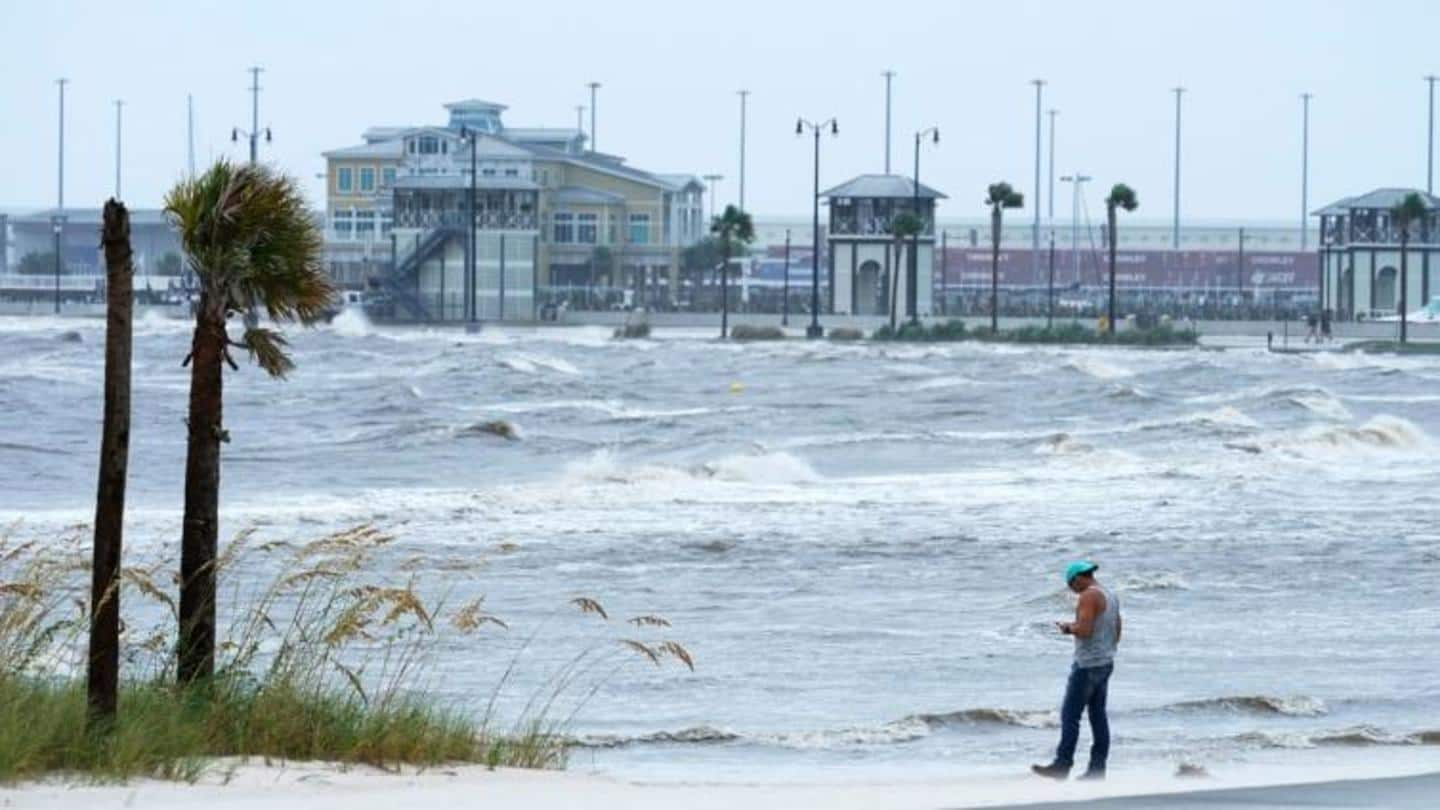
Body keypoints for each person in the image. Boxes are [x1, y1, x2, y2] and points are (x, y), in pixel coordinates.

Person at [1032, 561, 1122, 781]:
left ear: (1078, 578)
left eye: (1071, 585)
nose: (1073, 590)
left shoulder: (1088, 596)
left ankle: (1062, 765)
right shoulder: (1110, 595)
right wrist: (1107, 649)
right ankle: (1097, 769)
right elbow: (1118, 628)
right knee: (1098, 716)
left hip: (1087, 664)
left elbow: (1085, 630)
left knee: (1070, 716)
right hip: (1105, 662)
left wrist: (1067, 628)